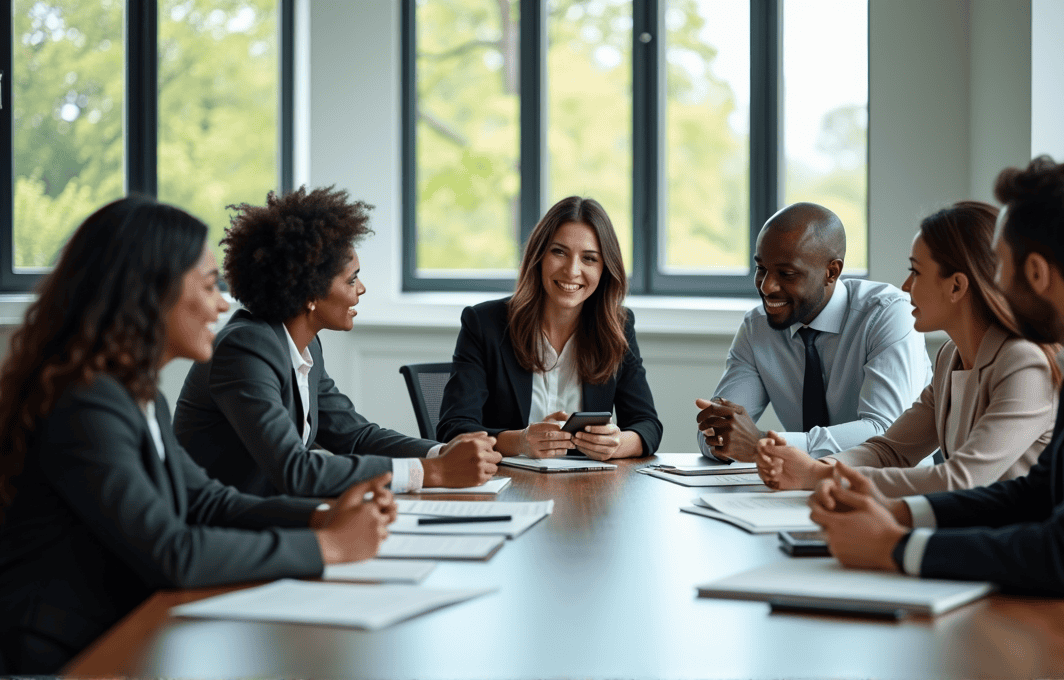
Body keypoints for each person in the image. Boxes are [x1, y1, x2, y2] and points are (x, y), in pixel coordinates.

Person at [808, 157, 1064, 662]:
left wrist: (896, 548)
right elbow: (1041, 492)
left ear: (1036, 273)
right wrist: (899, 512)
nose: (992, 283)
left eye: (1000, 266)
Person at [0, 197, 395, 673]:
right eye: (209, 286)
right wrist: (330, 546)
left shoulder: (135, 394)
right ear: (152, 293)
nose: (223, 303)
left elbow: (208, 503)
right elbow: (174, 552)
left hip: (120, 627)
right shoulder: (85, 404)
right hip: (62, 655)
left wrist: (322, 516)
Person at [174, 186, 500, 497]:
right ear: (311, 292)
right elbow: (295, 470)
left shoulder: (303, 346)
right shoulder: (245, 348)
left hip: (274, 518)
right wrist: (433, 472)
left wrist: (444, 452)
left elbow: (355, 436)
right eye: (352, 279)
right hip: (223, 531)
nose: (361, 289)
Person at [757, 201, 1060, 496]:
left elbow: (960, 480)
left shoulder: (1024, 363)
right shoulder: (950, 357)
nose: (904, 286)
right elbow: (890, 450)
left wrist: (820, 475)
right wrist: (814, 467)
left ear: (956, 286)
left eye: (915, 272)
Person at [696, 202, 931, 462]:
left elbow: (885, 433)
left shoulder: (888, 314)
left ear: (832, 272)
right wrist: (721, 436)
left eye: (786, 273)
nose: (767, 286)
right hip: (795, 487)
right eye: (761, 269)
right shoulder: (758, 327)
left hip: (891, 489)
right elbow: (717, 429)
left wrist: (767, 444)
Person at [438, 196, 662, 460]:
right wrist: (520, 442)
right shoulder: (484, 323)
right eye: (559, 252)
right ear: (539, 256)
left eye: (589, 258)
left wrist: (616, 443)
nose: (572, 270)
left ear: (604, 270)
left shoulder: (618, 326)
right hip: (506, 486)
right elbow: (453, 430)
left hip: (588, 491)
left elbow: (647, 426)